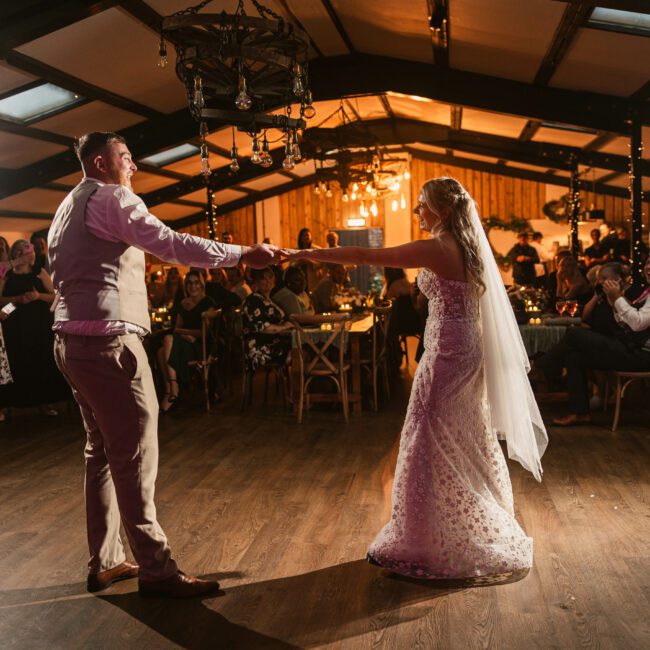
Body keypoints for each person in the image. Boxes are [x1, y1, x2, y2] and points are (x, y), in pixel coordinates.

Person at [48, 131, 280, 599]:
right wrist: (242, 255)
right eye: (126, 158)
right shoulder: (112, 198)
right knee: (133, 455)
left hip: (70, 341)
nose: (133, 167)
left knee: (101, 453)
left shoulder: (67, 205)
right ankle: (157, 570)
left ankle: (107, 560)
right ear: (100, 161)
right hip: (110, 344)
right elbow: (170, 243)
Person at [283, 176, 547, 580]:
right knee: (462, 433)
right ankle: (450, 528)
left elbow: (365, 254)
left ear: (441, 211)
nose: (417, 211)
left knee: (428, 432)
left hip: (447, 353)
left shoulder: (438, 247)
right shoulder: (470, 247)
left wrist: (309, 252)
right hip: (464, 347)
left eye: (422, 204)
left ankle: (429, 539)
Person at [552, 255, 650, 426]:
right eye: (648, 263)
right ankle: (580, 413)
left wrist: (617, 297)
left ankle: (546, 367)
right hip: (631, 348)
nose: (648, 267)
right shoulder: (645, 292)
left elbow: (637, 324)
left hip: (642, 355)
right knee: (574, 358)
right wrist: (614, 301)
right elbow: (624, 322)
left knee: (575, 334)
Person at [0, 239, 69, 416]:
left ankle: (44, 403)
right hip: (15, 326)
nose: (22, 252)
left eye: (25, 248)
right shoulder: (7, 275)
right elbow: (1, 303)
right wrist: (17, 300)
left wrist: (38, 296)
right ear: (13, 253)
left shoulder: (39, 272)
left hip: (39, 323)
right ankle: (14, 403)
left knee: (41, 359)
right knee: (19, 361)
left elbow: (55, 297)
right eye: (18, 249)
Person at [157, 271, 217, 412]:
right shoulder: (182, 303)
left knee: (167, 340)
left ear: (201, 284)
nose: (192, 286)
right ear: (185, 285)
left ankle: (173, 388)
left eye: (196, 282)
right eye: (189, 282)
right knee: (160, 352)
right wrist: (185, 336)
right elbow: (177, 328)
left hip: (200, 346)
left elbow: (203, 333)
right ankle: (169, 391)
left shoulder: (208, 303)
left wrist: (183, 333)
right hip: (184, 343)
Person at [242, 267, 293, 371]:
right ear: (255, 281)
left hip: (277, 342)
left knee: (304, 347)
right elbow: (263, 328)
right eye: (263, 278)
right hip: (261, 348)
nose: (268, 281)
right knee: (300, 351)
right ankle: (300, 385)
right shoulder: (254, 300)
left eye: (270, 277)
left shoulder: (270, 300)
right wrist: (284, 327)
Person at [293, 227, 322, 291]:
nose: (306, 237)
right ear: (300, 238)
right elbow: (291, 266)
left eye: (307, 235)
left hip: (313, 280)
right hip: (299, 280)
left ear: (310, 237)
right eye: (304, 235)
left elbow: (321, 265)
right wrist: (298, 263)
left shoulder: (317, 249)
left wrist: (309, 261)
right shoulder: (295, 251)